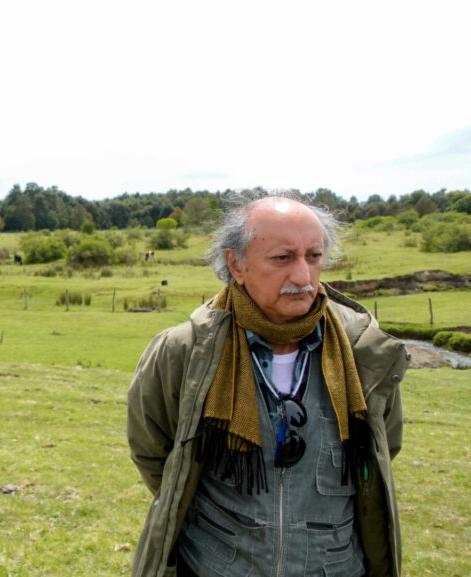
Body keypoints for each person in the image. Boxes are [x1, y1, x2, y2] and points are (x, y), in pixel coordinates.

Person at [126, 190, 408, 576]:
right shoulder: (184, 351)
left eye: (314, 255)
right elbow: (153, 453)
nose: (303, 276)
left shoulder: (364, 353)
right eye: (282, 258)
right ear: (236, 264)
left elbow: (382, 450)